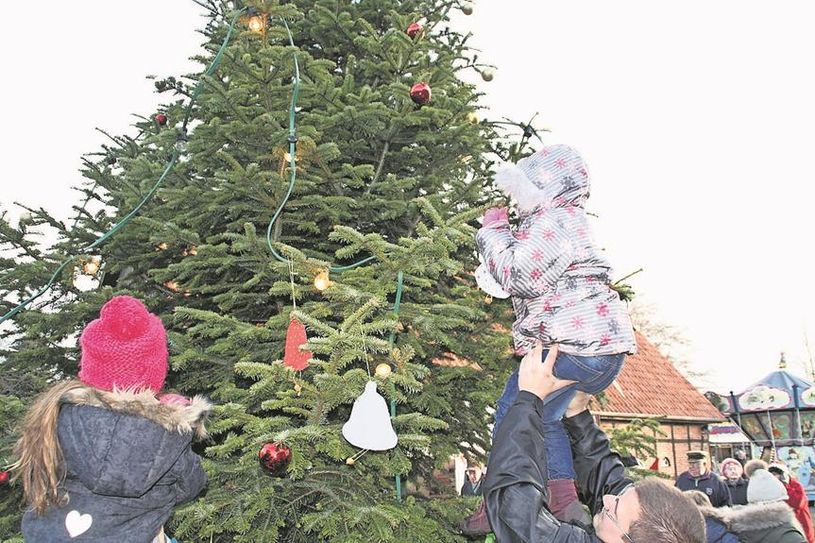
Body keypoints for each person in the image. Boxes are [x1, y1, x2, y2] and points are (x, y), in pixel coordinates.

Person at [475, 144, 637, 522]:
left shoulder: (552, 220)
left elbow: (520, 276)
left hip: (574, 344)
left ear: (540, 186)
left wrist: (493, 231)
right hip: (601, 350)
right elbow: (522, 274)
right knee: (547, 419)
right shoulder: (565, 220)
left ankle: (498, 500)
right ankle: (563, 501)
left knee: (514, 410)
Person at [12, 296, 210, 543]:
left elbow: (37, 478)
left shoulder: (54, 415)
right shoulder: (170, 435)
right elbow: (192, 485)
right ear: (155, 370)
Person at [483, 343, 706, 542]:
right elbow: (609, 481)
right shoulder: (628, 525)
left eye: (614, 508)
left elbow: (515, 514)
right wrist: (578, 416)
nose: (607, 499)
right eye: (618, 498)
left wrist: (528, 400)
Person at [769, 463, 815, 543]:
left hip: (801, 529)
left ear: (783, 475)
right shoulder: (770, 487)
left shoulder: (795, 485)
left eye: (775, 474)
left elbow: (796, 503)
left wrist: (784, 485)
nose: (773, 477)